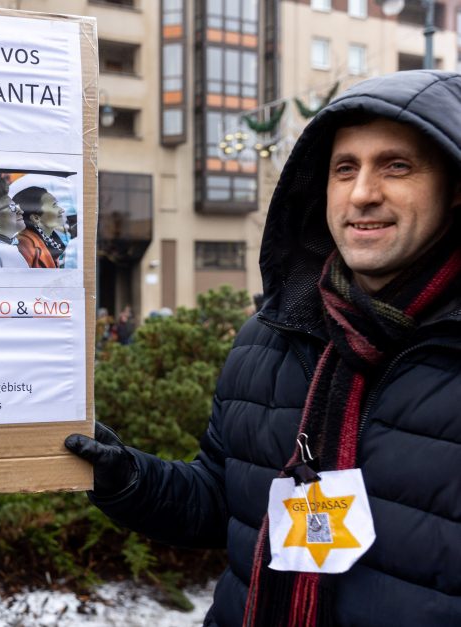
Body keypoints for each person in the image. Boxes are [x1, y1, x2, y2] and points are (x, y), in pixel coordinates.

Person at [66, 70, 461, 626]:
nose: (363, 193)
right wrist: (126, 477)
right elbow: (224, 503)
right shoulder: (270, 338)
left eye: (397, 166)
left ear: (454, 183)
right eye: (344, 169)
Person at [14, 186, 66, 268]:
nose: (62, 210)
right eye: (54, 205)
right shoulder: (25, 246)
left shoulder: (53, 241)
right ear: (36, 218)